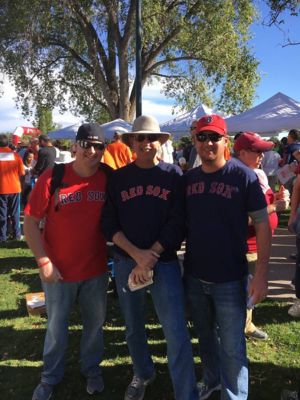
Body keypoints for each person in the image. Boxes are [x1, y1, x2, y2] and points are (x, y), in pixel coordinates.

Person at [101, 115, 198, 400]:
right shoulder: (118, 178)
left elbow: (178, 222)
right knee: (133, 327)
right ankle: (143, 373)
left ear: (160, 143)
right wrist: (137, 256)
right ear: (131, 142)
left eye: (151, 138)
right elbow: (109, 224)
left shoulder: (173, 176)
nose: (145, 143)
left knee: (176, 330)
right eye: (140, 137)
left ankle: (186, 392)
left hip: (164, 263)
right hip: (125, 261)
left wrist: (151, 256)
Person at [183, 115, 271, 400]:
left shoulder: (243, 176)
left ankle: (234, 395)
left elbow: (262, 224)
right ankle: (212, 381)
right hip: (195, 275)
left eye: (214, 137)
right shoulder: (189, 179)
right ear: (195, 141)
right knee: (206, 338)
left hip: (230, 278)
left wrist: (260, 275)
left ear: (225, 141)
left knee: (233, 346)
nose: (208, 143)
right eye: (202, 137)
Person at [24, 123, 110, 400]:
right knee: (56, 329)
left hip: (96, 270)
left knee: (94, 327)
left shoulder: (109, 178)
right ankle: (50, 377)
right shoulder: (54, 176)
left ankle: (92, 369)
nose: (93, 151)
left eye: (99, 146)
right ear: (75, 146)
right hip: (58, 272)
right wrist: (43, 261)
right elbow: (30, 222)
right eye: (87, 144)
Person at [234, 132, 289, 340]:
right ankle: (235, 331)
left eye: (263, 151)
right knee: (243, 293)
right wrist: (276, 206)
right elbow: (243, 218)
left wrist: (276, 198)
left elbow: (260, 206)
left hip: (257, 244)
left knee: (250, 291)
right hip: (246, 246)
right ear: (242, 152)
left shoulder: (257, 174)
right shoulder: (239, 178)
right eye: (257, 151)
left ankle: (246, 325)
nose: (262, 156)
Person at [0, 134, 25, 241]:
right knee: (15, 213)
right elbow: (22, 173)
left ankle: (2, 236)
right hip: (15, 188)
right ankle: (16, 235)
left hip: (1, 189)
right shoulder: (16, 156)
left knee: (2, 213)